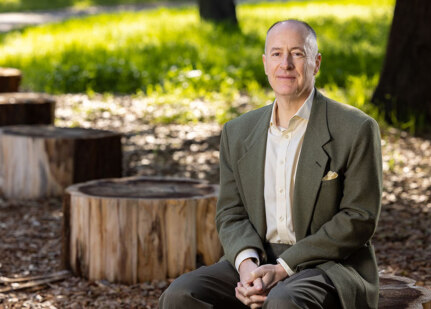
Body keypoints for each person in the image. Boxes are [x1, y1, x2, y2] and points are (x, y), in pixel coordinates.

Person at [159, 19, 382, 309]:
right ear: (265, 63)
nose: (285, 64)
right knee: (181, 296)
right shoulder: (237, 132)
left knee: (283, 302)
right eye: (276, 53)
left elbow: (359, 217)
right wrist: (247, 267)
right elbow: (230, 212)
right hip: (258, 258)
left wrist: (283, 268)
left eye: (298, 54)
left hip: (327, 264)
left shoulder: (355, 128)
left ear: (316, 63)